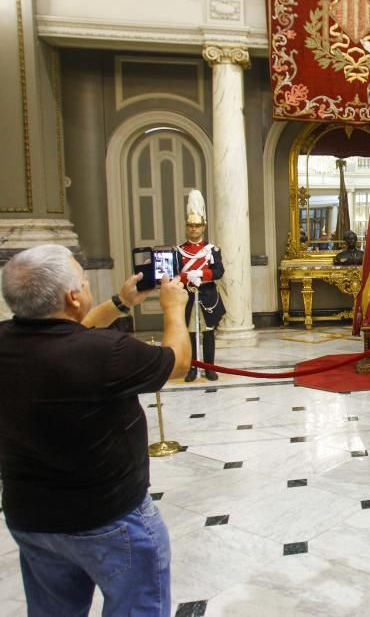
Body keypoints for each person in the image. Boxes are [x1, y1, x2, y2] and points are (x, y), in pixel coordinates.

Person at [0, 244, 191, 616]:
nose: (87, 287)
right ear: (73, 296)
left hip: (33, 518)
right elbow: (178, 363)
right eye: (84, 282)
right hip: (110, 518)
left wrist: (121, 302)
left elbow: (64, 335)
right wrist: (173, 308)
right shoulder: (107, 353)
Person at [178, 189, 225, 382]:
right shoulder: (179, 251)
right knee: (190, 335)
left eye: (197, 226)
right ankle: (192, 368)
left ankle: (209, 368)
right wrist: (188, 277)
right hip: (188, 297)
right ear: (187, 227)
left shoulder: (212, 250)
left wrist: (203, 274)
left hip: (207, 297)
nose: (194, 229)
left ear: (203, 227)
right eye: (190, 226)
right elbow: (175, 276)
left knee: (208, 335)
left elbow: (219, 271)